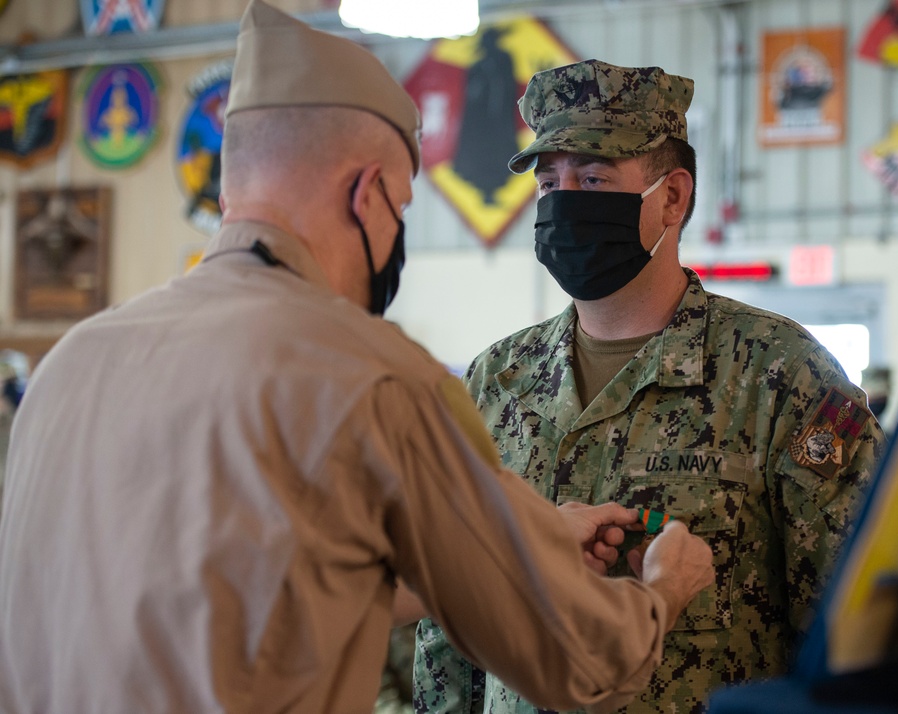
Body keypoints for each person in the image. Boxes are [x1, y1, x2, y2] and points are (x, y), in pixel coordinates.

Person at [0, 5, 716, 713]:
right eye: (401, 207)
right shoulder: (375, 380)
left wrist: (531, 535)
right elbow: (581, 662)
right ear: (367, 192)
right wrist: (663, 590)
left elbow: (264, 594)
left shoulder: (72, 366)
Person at [413, 59, 886, 713]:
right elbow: (448, 623)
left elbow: (850, 631)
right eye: (550, 183)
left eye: (593, 177)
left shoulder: (780, 376)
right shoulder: (497, 383)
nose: (563, 201)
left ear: (673, 196)